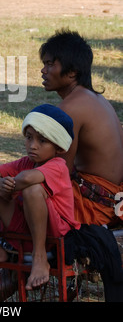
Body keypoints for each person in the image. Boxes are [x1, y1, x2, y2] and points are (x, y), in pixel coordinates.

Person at [0, 104, 80, 292]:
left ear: (59, 147)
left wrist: (6, 187)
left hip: (54, 233)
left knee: (32, 190)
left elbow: (27, 178)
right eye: (29, 138)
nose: (32, 145)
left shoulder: (58, 165)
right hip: (26, 227)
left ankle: (40, 257)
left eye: (42, 141)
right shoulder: (26, 162)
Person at [39, 29, 123, 228]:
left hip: (94, 207)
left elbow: (60, 172)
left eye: (50, 64)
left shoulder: (70, 108)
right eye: (44, 64)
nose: (43, 71)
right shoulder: (98, 99)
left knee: (23, 193)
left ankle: (11, 251)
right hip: (114, 202)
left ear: (72, 72)